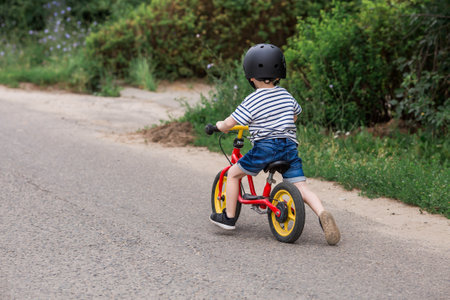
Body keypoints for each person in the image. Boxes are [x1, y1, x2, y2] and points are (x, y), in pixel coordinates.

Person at [209, 43, 340, 245]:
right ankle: (322, 213)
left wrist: (220, 126)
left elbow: (230, 123)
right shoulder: (286, 95)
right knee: (301, 187)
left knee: (233, 174)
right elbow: (296, 115)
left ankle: (228, 217)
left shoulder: (252, 99)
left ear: (250, 76)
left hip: (266, 148)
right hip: (289, 147)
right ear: (278, 74)